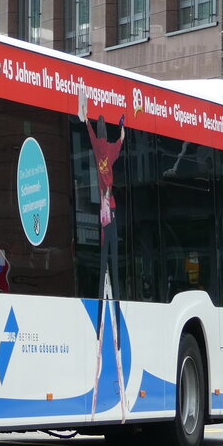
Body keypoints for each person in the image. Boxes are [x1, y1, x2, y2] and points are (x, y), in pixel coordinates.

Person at [78, 91, 126, 417]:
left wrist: (83, 114)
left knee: (102, 274)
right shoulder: (109, 146)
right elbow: (119, 139)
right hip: (112, 214)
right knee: (114, 273)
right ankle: (116, 327)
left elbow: (88, 129)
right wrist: (123, 124)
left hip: (102, 217)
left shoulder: (97, 148)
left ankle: (101, 328)